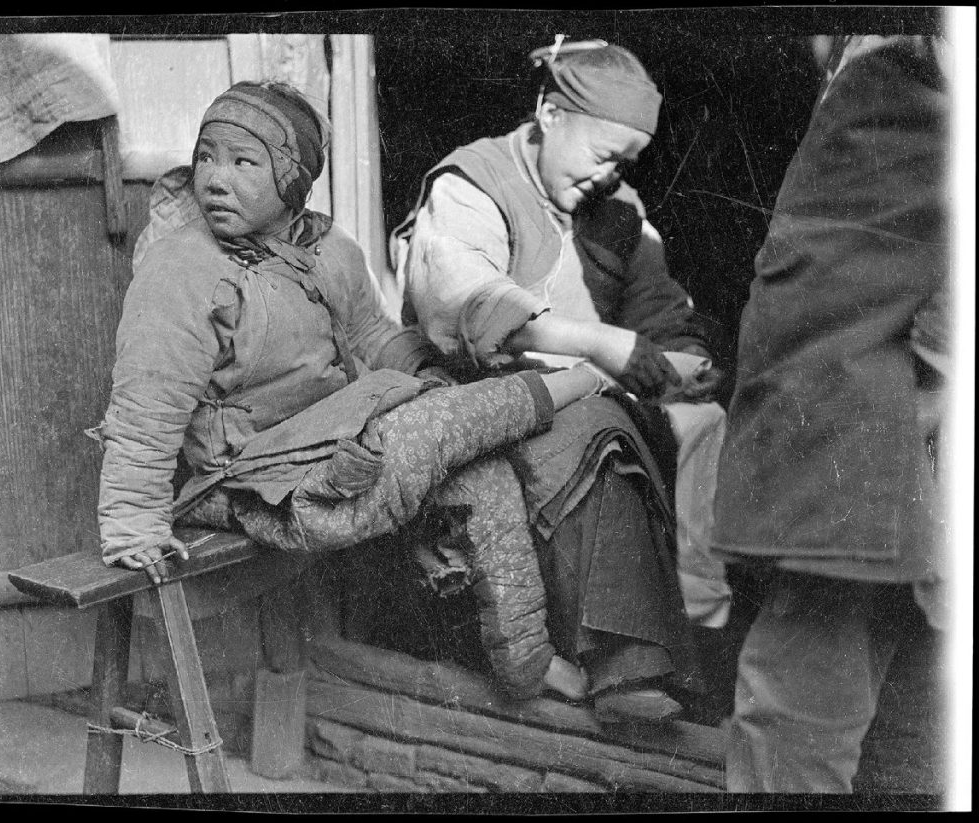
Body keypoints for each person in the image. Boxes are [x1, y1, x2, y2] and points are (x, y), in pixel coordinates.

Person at [92, 80, 616, 704]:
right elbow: (147, 402)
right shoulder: (183, 270)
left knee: (480, 467)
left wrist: (427, 375)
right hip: (249, 482)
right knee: (434, 429)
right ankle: (588, 377)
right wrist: (131, 523)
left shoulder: (327, 250)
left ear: (293, 181)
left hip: (331, 444)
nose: (214, 177)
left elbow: (371, 334)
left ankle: (527, 659)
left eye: (243, 161)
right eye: (206, 156)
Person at [391, 39, 729, 721]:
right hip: (477, 397)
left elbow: (659, 310)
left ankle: (704, 637)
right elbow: (466, 303)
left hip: (581, 391)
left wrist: (682, 357)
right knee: (595, 432)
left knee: (704, 421)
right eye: (605, 156)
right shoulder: (472, 185)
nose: (612, 177)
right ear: (550, 111)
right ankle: (624, 665)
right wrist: (598, 343)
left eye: (627, 164)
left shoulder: (618, 210)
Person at [711, 34, 950, 792]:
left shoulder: (908, 63)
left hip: (863, 458)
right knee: (904, 730)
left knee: (794, 723)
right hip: (874, 461)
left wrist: (941, 368)